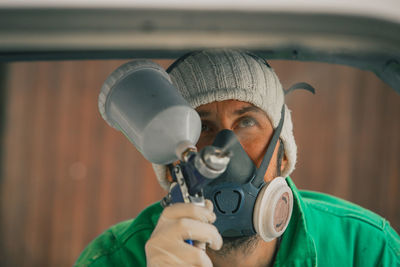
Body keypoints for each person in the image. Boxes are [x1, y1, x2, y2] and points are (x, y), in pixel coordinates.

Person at [75, 49, 400, 267]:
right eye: (201, 126)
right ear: (171, 167)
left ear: (283, 155)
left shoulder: (366, 249)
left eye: (247, 122)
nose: (224, 148)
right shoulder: (112, 258)